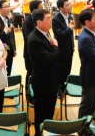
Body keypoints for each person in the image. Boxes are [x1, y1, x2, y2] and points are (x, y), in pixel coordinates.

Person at [28, 8, 60, 136]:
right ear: (38, 22)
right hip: (44, 82)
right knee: (42, 112)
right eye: (48, 19)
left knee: (49, 110)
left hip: (51, 80)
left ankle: (47, 131)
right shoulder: (34, 39)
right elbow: (47, 59)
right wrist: (56, 47)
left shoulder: (46, 32)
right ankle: (40, 133)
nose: (51, 21)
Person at [52, 0, 74, 96]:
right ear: (61, 8)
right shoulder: (56, 19)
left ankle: (65, 86)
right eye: (67, 5)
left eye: (69, 4)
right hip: (61, 48)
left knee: (68, 68)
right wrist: (69, 28)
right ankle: (59, 88)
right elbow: (59, 34)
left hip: (69, 47)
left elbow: (71, 34)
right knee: (61, 69)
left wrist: (72, 45)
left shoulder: (70, 16)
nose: (69, 6)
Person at [22, 0, 43, 103]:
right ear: (34, 10)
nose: (43, 9)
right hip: (30, 54)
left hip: (39, 53)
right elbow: (29, 38)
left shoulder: (40, 19)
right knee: (30, 73)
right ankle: (29, 94)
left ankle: (37, 93)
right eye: (41, 7)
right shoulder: (27, 21)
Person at [0, 0, 16, 76]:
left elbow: (12, 35)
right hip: (1, 48)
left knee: (9, 65)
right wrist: (5, 32)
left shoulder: (9, 19)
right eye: (6, 7)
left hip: (8, 46)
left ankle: (8, 81)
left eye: (9, 6)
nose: (8, 8)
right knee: (2, 68)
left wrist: (14, 48)